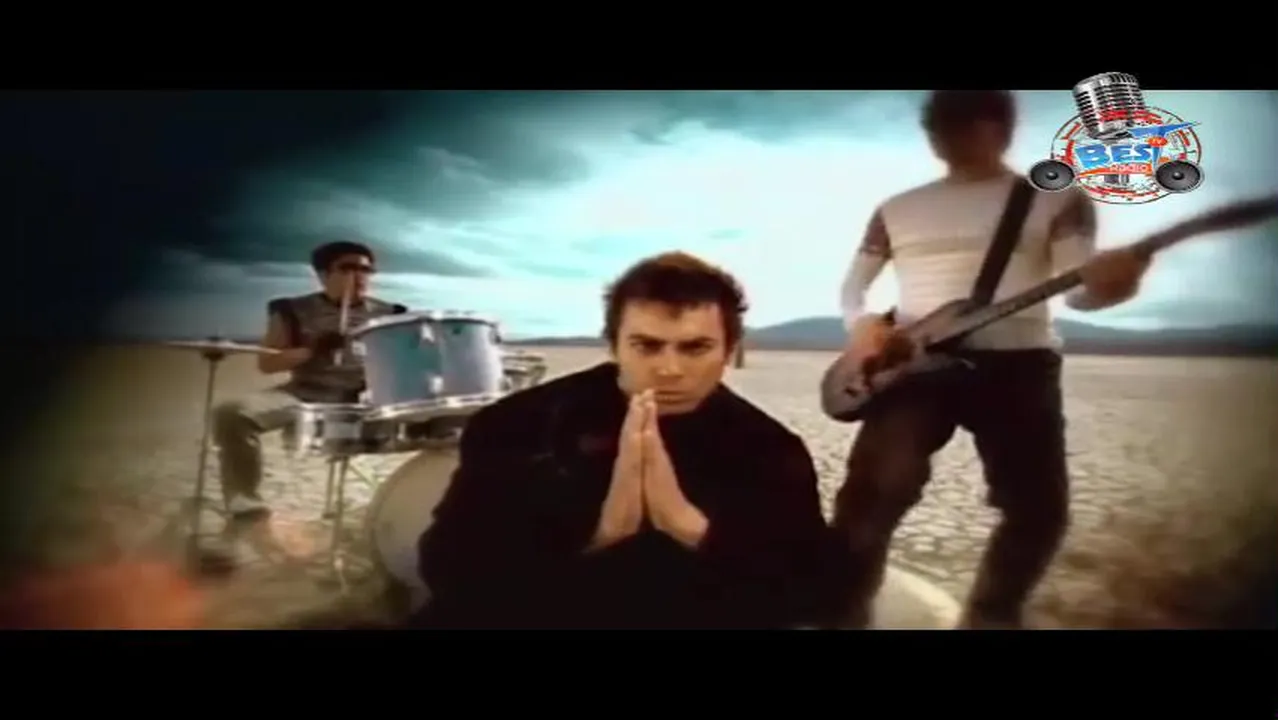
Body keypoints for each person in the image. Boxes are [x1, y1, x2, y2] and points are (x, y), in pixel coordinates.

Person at [833, 90, 1153, 629]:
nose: (950, 137)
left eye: (967, 123)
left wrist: (1114, 286)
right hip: (912, 365)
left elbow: (1079, 290)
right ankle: (843, 612)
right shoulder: (897, 207)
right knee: (870, 497)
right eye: (940, 125)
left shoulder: (1056, 197)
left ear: (1003, 128)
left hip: (1018, 366)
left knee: (1037, 509)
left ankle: (990, 615)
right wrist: (862, 326)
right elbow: (853, 289)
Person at [412, 252, 838, 629]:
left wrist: (690, 526)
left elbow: (807, 592)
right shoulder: (521, 423)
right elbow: (448, 568)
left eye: (695, 348)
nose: (669, 369)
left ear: (729, 351)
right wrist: (598, 533)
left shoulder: (768, 449)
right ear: (614, 345)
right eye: (647, 346)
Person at [213, 240, 405, 519]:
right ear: (323, 274)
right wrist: (313, 350)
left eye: (366, 270)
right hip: (306, 394)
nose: (358, 276)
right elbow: (267, 363)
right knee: (232, 413)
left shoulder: (391, 314)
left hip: (368, 398)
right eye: (347, 268)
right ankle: (244, 498)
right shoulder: (292, 310)